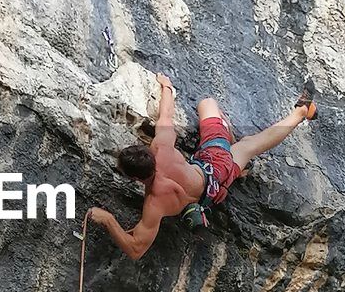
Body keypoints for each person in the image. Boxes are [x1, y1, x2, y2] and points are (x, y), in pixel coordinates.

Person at [87, 74, 317, 260]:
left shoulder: (155, 204)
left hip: (214, 191)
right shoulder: (163, 147)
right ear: (149, 154)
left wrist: (108, 219)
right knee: (209, 106)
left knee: (247, 147)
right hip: (215, 164)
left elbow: (136, 249)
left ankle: (245, 158)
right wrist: (166, 86)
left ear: (135, 179)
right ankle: (300, 113)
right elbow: (165, 117)